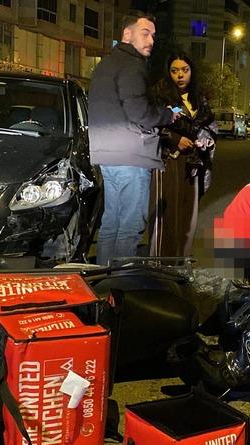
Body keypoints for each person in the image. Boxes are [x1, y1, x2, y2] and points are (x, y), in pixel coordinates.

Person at [88, 11, 178, 266]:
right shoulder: (132, 65)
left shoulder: (105, 64)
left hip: (106, 154)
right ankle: (120, 286)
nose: (151, 40)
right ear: (127, 35)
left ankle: (103, 281)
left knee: (111, 223)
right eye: (145, 33)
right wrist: (167, 115)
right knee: (130, 226)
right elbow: (139, 112)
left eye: (153, 35)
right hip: (131, 154)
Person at [149, 52, 216, 257]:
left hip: (193, 163)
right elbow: (150, 125)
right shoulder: (159, 96)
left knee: (188, 216)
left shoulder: (199, 99)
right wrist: (176, 139)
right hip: (168, 161)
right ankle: (161, 265)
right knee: (168, 217)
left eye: (184, 70)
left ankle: (181, 263)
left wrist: (205, 138)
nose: (180, 75)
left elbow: (210, 124)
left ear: (191, 72)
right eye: (175, 70)